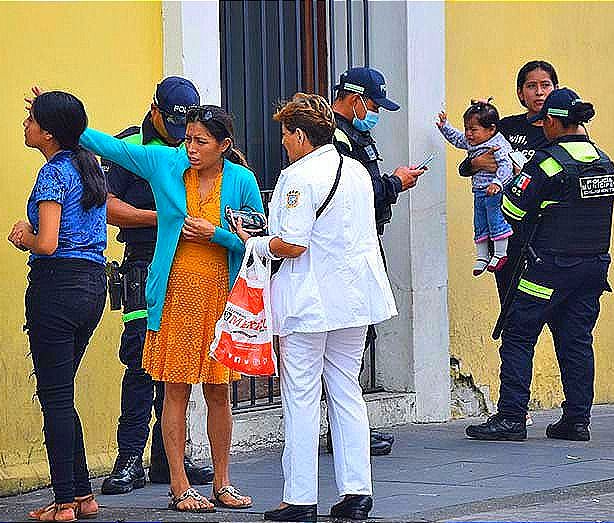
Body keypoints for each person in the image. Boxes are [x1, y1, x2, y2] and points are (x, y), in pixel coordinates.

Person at [79, 105, 262, 513]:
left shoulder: (242, 180)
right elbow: (108, 146)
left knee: (219, 391)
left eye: (201, 142)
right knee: (174, 389)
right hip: (175, 295)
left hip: (221, 297)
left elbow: (258, 241)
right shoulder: (165, 163)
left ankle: (223, 483)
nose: (191, 149)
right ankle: (179, 487)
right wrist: (64, 118)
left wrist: (216, 234)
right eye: (188, 140)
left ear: (223, 146)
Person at [244, 93, 397, 522]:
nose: (283, 143)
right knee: (347, 391)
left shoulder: (298, 176)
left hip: (310, 302)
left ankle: (299, 497)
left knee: (302, 396)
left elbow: (292, 244)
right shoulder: (357, 171)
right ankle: (357, 492)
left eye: (285, 135)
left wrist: (252, 241)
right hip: (355, 299)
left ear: (300, 135)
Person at [465, 88, 614, 442]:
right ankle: (577, 420)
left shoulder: (549, 162)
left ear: (553, 121)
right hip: (592, 267)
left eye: (545, 121)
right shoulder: (604, 159)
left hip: (547, 268)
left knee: (518, 336)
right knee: (576, 340)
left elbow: (512, 211)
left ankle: (511, 417)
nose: (542, 127)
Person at [100, 77, 213, 495]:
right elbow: (108, 206)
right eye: (175, 123)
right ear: (155, 111)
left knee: (176, 365)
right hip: (144, 263)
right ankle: (129, 459)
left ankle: (169, 458)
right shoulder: (131, 146)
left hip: (187, 264)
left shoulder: (197, 148)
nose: (184, 135)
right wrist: (161, 218)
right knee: (140, 359)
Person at [9, 91, 107, 522]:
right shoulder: (87, 168)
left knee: (55, 398)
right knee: (62, 394)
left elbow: (46, 243)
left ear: (48, 133)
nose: (26, 125)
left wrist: (22, 235)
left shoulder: (52, 174)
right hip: (92, 287)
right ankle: (83, 495)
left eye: (31, 119)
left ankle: (63, 500)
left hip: (56, 287)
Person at [330, 66, 426, 456]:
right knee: (346, 343)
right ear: (355, 100)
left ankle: (349, 428)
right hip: (348, 247)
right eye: (374, 105)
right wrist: (395, 183)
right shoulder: (335, 137)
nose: (377, 114)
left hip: (365, 241)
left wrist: (389, 183)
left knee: (358, 338)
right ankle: (346, 431)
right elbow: (353, 192)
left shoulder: (355, 134)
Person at [460, 60, 561, 426]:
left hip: (549, 243)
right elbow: (469, 160)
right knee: (516, 323)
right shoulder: (507, 127)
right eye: (531, 86)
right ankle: (516, 408)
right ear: (520, 92)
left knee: (562, 329)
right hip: (511, 240)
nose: (538, 92)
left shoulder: (561, 130)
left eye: (545, 85)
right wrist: (477, 165)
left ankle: (571, 413)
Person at [437, 100, 515, 276]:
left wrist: (498, 183)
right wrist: (445, 127)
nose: (468, 134)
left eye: (473, 130)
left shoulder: (497, 144)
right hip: (479, 190)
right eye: (467, 128)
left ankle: (500, 253)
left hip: (494, 190)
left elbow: (506, 166)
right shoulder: (473, 142)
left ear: (491, 129)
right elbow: (457, 139)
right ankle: (482, 257)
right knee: (479, 222)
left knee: (495, 219)